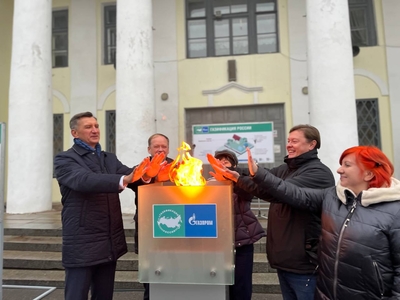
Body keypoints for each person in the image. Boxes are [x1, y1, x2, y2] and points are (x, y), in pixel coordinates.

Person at [208, 145, 400, 299]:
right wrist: (240, 174)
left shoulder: (394, 210)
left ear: (368, 174)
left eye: (347, 165)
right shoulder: (332, 197)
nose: (339, 169)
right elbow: (291, 193)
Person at [54, 111, 152, 300]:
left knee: (104, 296)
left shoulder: (109, 158)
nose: (95, 130)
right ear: (75, 133)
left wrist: (151, 175)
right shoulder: (65, 159)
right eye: (88, 127)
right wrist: (124, 178)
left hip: (108, 242)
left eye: (96, 126)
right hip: (83, 242)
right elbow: (83, 180)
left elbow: (133, 177)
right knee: (76, 295)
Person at [230, 125, 335, 299]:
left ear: (312, 145)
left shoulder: (318, 172)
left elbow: (283, 190)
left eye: (295, 141)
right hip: (285, 261)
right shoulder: (286, 169)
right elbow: (263, 185)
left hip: (304, 264)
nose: (289, 145)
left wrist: (254, 174)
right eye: (288, 141)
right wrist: (235, 175)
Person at [209, 149, 265, 300]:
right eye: (219, 161)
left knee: (241, 283)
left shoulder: (243, 181)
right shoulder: (209, 183)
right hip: (217, 242)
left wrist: (233, 180)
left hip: (241, 240)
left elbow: (248, 194)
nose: (222, 163)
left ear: (233, 165)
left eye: (226, 161)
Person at [128, 133, 174, 300]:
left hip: (175, 226)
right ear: (149, 149)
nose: (160, 150)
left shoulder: (178, 167)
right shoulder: (141, 168)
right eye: (156, 146)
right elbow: (133, 183)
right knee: (152, 277)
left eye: (164, 146)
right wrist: (150, 176)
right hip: (149, 230)